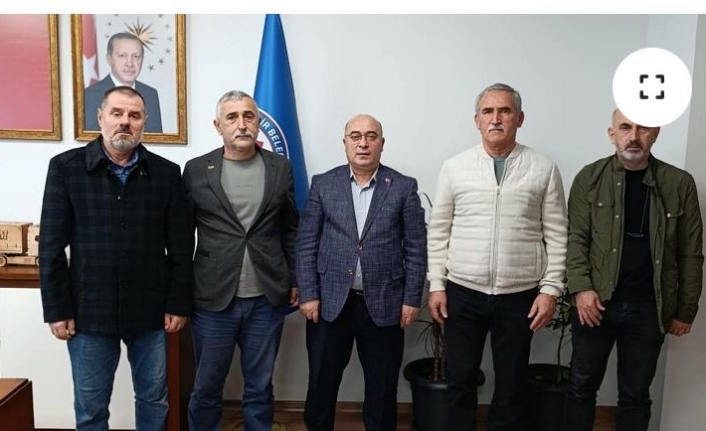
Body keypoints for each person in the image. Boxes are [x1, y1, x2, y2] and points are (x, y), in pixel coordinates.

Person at [39, 86, 193, 431]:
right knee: (91, 407)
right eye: (117, 113)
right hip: (88, 310)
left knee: (154, 400)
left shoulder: (167, 174)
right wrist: (57, 309)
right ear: (100, 117)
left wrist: (178, 303)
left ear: (144, 122)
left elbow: (181, 247)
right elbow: (50, 246)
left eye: (134, 115)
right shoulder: (66, 168)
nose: (125, 121)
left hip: (151, 310)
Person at [426, 83, 568, 430]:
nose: (496, 119)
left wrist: (551, 290)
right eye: (488, 112)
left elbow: (557, 233)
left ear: (520, 118)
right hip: (463, 292)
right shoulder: (455, 167)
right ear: (476, 120)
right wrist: (437, 285)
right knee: (460, 379)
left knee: (511, 384)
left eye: (504, 111)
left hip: (519, 296)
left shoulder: (543, 168)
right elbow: (439, 230)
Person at [562, 109, 704, 431]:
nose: (634, 136)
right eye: (625, 127)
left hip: (649, 308)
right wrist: (581, 289)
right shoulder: (589, 178)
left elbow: (691, 253)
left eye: (643, 128)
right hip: (595, 305)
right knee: (580, 387)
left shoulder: (679, 183)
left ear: (656, 133)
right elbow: (575, 239)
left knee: (636, 395)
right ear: (611, 133)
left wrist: (685, 309)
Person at [296, 114, 426, 431]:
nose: (363, 143)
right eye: (355, 136)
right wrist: (309, 293)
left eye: (371, 136)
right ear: (345, 143)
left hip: (384, 304)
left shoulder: (403, 187)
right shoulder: (324, 184)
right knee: (321, 385)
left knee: (382, 390)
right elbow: (306, 243)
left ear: (382, 143)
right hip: (330, 303)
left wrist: (411, 299)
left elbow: (415, 247)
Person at [184, 90, 299, 431]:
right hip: (212, 299)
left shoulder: (280, 168)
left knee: (260, 387)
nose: (242, 124)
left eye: (249, 116)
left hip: (266, 298)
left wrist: (295, 279)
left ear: (258, 122)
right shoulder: (196, 170)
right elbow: (181, 235)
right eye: (232, 117)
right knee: (207, 387)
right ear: (218, 125)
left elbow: (291, 229)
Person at [84, 32, 163, 133]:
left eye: (136, 56)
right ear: (109, 58)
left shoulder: (150, 94)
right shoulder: (89, 96)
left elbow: (156, 138)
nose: (130, 64)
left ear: (142, 59)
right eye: (122, 56)